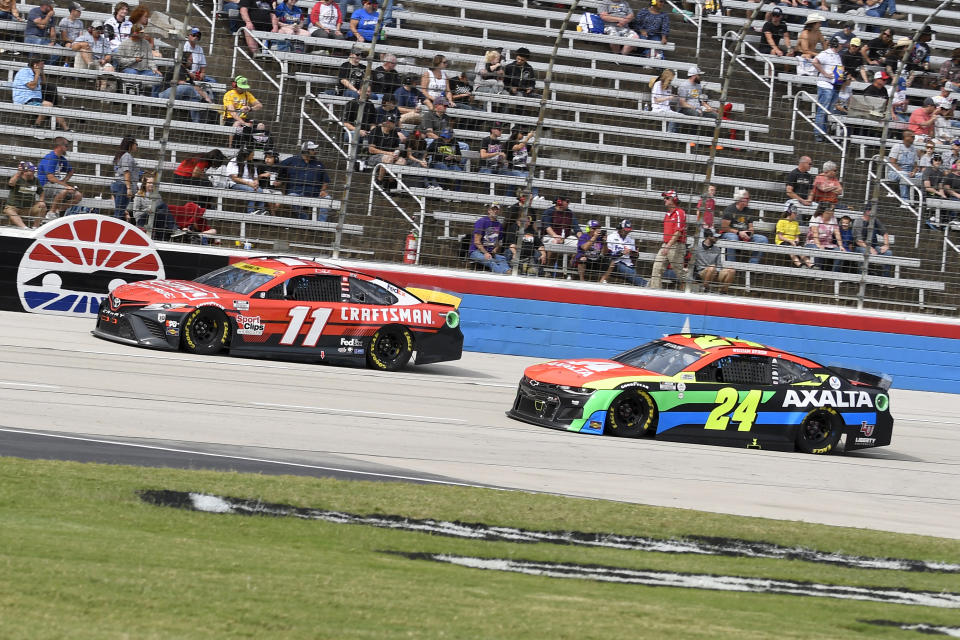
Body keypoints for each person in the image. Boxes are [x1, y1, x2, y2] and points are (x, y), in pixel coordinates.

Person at [12, 57, 70, 132]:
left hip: (35, 99)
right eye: (42, 64)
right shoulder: (24, 71)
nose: (44, 66)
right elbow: (32, 86)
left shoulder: (36, 72)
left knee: (56, 110)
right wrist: (37, 74)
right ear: (35, 65)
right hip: (25, 99)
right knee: (48, 105)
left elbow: (43, 83)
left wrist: (41, 73)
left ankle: (67, 129)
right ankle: (36, 125)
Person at [279, 141, 332, 220]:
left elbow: (326, 180)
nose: (315, 151)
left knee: (327, 199)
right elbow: (278, 167)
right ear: (306, 150)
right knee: (292, 197)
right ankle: (305, 219)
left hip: (315, 193)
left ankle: (321, 224)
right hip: (295, 191)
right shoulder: (292, 160)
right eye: (312, 150)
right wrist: (281, 180)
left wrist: (323, 190)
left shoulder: (319, 164)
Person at [159, 52, 215, 123]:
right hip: (165, 94)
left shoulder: (186, 72)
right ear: (184, 59)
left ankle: (197, 124)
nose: (192, 62)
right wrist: (202, 96)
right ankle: (201, 99)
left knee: (195, 101)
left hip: (179, 96)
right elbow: (182, 83)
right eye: (190, 60)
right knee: (187, 87)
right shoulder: (177, 68)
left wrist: (206, 96)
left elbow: (195, 86)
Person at [719, 189, 768, 264]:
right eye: (747, 198)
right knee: (733, 238)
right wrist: (739, 233)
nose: (749, 200)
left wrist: (750, 233)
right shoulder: (730, 209)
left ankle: (753, 264)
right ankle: (731, 264)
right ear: (740, 199)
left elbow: (751, 227)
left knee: (763, 239)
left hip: (744, 234)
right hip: (730, 234)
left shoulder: (748, 211)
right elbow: (724, 228)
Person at [650, 190, 687, 289]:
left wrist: (668, 245)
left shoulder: (680, 213)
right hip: (667, 245)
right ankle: (655, 292)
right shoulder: (668, 214)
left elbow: (678, 232)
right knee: (656, 268)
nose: (664, 200)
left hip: (676, 246)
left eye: (667, 198)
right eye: (664, 198)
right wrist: (667, 245)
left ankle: (690, 288)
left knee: (679, 272)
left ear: (673, 199)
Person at [126, 171, 178, 239]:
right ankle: (174, 229)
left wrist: (154, 209)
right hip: (143, 219)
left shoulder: (157, 195)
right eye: (149, 183)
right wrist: (148, 209)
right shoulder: (138, 196)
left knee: (162, 212)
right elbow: (136, 215)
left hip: (155, 217)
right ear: (145, 184)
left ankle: (161, 239)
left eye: (153, 183)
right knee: (162, 205)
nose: (151, 185)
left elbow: (162, 210)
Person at [812, 36, 843, 142]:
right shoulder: (826, 53)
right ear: (836, 44)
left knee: (827, 111)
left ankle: (823, 132)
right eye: (840, 43)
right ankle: (818, 134)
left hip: (833, 85)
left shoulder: (837, 55)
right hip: (825, 85)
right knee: (822, 110)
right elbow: (815, 61)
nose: (842, 45)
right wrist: (825, 73)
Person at [599, 219, 646, 286]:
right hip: (615, 263)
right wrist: (621, 253)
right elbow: (607, 255)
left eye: (628, 231)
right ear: (620, 228)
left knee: (632, 273)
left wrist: (635, 254)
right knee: (628, 272)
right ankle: (645, 284)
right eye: (625, 230)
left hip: (628, 264)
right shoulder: (611, 237)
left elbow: (634, 258)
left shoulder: (630, 240)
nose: (627, 232)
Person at [116, 24, 160, 93]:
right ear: (135, 33)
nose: (144, 34)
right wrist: (134, 60)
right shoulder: (124, 44)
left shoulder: (146, 43)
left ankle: (154, 98)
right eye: (141, 33)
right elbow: (119, 60)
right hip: (129, 69)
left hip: (144, 70)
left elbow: (150, 59)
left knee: (158, 77)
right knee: (133, 75)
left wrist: (154, 69)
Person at [852, 204, 893, 277]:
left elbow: (885, 233)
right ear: (867, 212)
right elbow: (858, 241)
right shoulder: (858, 221)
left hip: (874, 246)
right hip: (861, 247)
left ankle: (885, 278)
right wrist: (869, 248)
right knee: (864, 252)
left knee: (888, 253)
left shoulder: (875, 221)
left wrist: (886, 245)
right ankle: (862, 276)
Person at [502, 209, 547, 276]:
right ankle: (513, 270)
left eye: (529, 219)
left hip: (530, 254)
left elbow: (539, 244)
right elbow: (511, 244)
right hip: (516, 251)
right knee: (509, 252)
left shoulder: (531, 230)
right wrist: (515, 253)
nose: (530, 221)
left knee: (539, 254)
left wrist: (543, 254)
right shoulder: (513, 228)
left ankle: (538, 272)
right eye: (528, 218)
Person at [469, 203, 511, 274]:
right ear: (489, 211)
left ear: (499, 211)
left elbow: (498, 241)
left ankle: (508, 272)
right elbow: (476, 241)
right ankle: (503, 276)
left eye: (497, 209)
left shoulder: (499, 225)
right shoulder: (482, 221)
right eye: (493, 209)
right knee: (491, 260)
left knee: (502, 259)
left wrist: (495, 249)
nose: (495, 211)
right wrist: (485, 253)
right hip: (476, 251)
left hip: (490, 252)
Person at [223, 76, 263, 147]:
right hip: (230, 119)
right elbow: (233, 113)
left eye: (244, 87)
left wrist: (250, 108)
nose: (243, 89)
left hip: (243, 119)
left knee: (260, 126)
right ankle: (231, 147)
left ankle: (257, 149)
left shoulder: (247, 94)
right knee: (237, 124)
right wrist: (244, 123)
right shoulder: (229, 95)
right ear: (235, 85)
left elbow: (259, 105)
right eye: (241, 87)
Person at [4, 162, 47, 229]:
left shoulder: (36, 180)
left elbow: (41, 192)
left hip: (29, 208)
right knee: (9, 210)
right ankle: (24, 228)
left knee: (42, 207)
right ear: (24, 172)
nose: (33, 172)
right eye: (31, 171)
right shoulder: (16, 178)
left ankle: (35, 227)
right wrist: (18, 174)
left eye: (34, 171)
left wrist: (41, 200)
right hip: (14, 207)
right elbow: (11, 183)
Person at [804, 202, 845, 271]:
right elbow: (815, 234)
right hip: (813, 242)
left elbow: (837, 233)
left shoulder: (833, 219)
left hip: (828, 244)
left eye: (833, 209)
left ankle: (834, 274)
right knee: (818, 250)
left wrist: (840, 245)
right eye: (831, 209)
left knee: (840, 252)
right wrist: (819, 245)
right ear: (825, 210)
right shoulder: (816, 218)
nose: (833, 210)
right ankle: (817, 271)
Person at [226, 147, 266, 214]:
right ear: (246, 155)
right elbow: (234, 178)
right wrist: (248, 183)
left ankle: (261, 211)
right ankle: (250, 212)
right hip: (235, 184)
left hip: (250, 184)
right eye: (252, 155)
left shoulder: (250, 163)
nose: (253, 156)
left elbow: (255, 177)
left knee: (260, 190)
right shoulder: (234, 161)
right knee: (252, 190)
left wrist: (256, 182)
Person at [367, 115, 404, 184]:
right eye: (393, 123)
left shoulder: (394, 132)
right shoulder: (376, 131)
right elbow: (371, 150)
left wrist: (397, 153)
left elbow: (397, 148)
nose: (395, 124)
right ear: (388, 123)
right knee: (388, 158)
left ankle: (390, 182)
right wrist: (388, 153)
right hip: (374, 157)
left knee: (402, 161)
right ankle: (379, 180)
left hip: (391, 156)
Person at [776, 200, 813, 268]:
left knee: (800, 249)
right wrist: (790, 241)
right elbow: (780, 237)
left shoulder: (795, 223)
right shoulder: (781, 221)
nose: (796, 214)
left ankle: (810, 264)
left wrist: (796, 240)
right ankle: (799, 264)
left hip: (793, 242)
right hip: (783, 242)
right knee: (791, 249)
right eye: (794, 213)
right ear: (790, 213)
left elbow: (797, 236)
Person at [110, 136, 140, 219]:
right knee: (119, 214)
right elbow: (126, 172)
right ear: (130, 144)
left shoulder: (120, 155)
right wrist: (129, 188)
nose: (136, 146)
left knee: (119, 212)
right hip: (123, 186)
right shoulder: (127, 156)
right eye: (136, 144)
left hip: (117, 185)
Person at [506, 127, 539, 199]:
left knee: (534, 180)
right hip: (513, 169)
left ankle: (535, 196)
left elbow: (534, 152)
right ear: (516, 133)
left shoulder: (525, 144)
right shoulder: (510, 142)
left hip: (524, 169)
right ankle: (508, 199)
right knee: (524, 180)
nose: (523, 135)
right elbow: (517, 147)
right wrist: (528, 137)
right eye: (521, 133)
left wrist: (535, 139)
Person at [887, 131, 920, 200]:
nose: (914, 138)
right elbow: (892, 163)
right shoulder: (897, 147)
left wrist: (913, 172)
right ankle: (905, 200)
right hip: (895, 172)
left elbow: (916, 165)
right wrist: (903, 172)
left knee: (922, 175)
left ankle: (920, 199)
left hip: (909, 172)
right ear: (906, 137)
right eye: (912, 136)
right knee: (904, 175)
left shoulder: (914, 149)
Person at [503, 47, 536, 117]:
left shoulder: (529, 68)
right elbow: (505, 82)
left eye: (522, 60)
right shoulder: (509, 67)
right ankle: (518, 120)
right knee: (520, 96)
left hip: (525, 92)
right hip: (512, 91)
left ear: (526, 60)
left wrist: (530, 88)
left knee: (541, 99)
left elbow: (532, 82)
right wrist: (511, 88)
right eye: (518, 59)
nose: (519, 61)